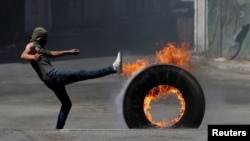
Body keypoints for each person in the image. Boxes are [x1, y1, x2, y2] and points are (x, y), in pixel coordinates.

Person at [20, 27, 122, 129]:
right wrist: (33, 57)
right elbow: (23, 55)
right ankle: (113, 68)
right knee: (81, 73)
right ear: (39, 38)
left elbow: (52, 54)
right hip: (53, 76)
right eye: (44, 38)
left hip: (49, 80)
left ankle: (58, 129)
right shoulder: (32, 45)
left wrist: (69, 52)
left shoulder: (40, 48)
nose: (46, 40)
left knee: (66, 104)